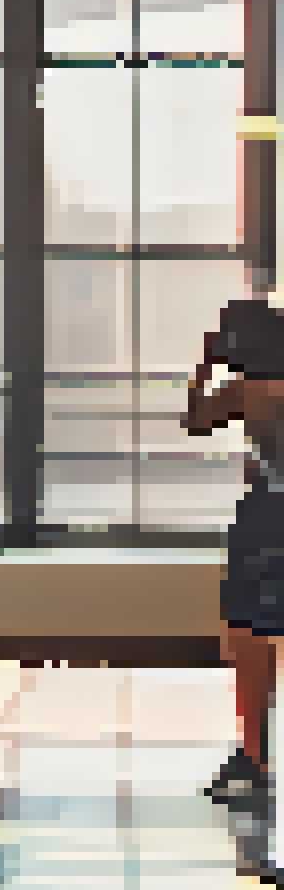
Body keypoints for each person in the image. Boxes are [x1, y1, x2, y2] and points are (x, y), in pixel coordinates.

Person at [186, 296, 284, 805]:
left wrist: (205, 364)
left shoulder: (245, 389)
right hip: (264, 511)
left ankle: (257, 754)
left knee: (248, 633)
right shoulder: (253, 388)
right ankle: (258, 754)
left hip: (267, 513)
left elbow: (194, 419)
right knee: (251, 631)